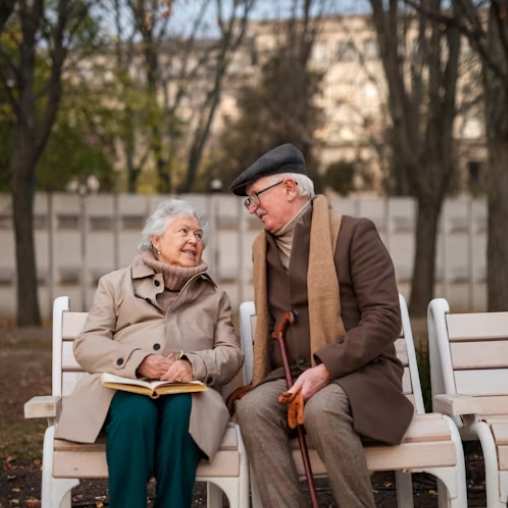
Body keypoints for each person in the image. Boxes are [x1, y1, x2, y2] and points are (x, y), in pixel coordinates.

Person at [230, 144, 414, 508]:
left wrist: (326, 367)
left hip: (360, 374)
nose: (252, 209)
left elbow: (385, 318)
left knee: (322, 407)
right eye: (248, 201)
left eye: (256, 197)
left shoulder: (354, 234)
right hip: (292, 374)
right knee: (251, 408)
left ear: (289, 188)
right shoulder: (261, 249)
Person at [56, 198, 244, 508]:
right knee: (135, 412)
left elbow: (231, 354)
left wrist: (192, 364)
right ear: (156, 241)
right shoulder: (115, 284)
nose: (193, 240)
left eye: (198, 235)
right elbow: (88, 343)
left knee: (183, 411)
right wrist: (138, 362)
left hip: (187, 392)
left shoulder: (215, 296)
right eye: (183, 231)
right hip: (124, 388)